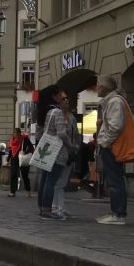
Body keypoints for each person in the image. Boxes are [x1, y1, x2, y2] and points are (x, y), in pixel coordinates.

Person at [95, 75, 134, 224]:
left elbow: (116, 127)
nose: (96, 88)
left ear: (103, 87)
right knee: (114, 180)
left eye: (97, 85)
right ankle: (116, 212)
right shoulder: (113, 101)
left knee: (115, 181)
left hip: (112, 147)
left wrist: (104, 142)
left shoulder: (114, 102)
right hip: (112, 146)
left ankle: (118, 214)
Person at [36, 85, 75, 221]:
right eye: (61, 95)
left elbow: (40, 133)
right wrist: (71, 146)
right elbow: (62, 133)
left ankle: (42, 208)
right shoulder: (57, 112)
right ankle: (47, 210)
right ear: (55, 96)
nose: (63, 97)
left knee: (45, 180)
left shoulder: (47, 112)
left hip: (46, 151)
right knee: (51, 182)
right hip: (57, 152)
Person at [7, 128, 29, 197]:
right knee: (13, 174)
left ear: (20, 133)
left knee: (24, 175)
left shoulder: (24, 139)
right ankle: (12, 192)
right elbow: (10, 151)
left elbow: (30, 147)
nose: (15, 134)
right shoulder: (12, 140)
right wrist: (7, 160)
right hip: (14, 159)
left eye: (16, 133)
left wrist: (25, 151)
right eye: (14, 133)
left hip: (23, 159)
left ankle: (28, 191)